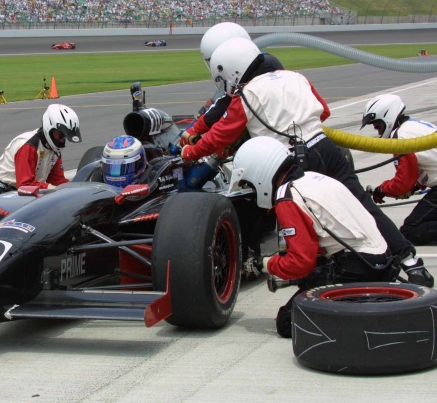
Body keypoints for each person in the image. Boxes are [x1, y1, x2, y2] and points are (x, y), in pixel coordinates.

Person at [181, 36, 433, 288]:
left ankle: (261, 262)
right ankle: (411, 262)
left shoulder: (246, 95)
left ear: (232, 69)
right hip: (326, 148)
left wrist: (190, 152)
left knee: (266, 208)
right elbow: (323, 110)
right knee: (362, 204)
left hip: (292, 160)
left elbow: (220, 135)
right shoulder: (296, 77)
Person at [229, 136, 398, 338]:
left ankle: (357, 312)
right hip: (381, 259)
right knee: (314, 274)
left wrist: (265, 264)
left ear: (259, 174)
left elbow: (300, 262)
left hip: (358, 266)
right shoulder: (314, 178)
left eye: (250, 184)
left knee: (286, 322)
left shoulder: (287, 198)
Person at [183, 22, 285, 145]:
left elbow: (225, 106)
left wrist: (194, 129)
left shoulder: (254, 72)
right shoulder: (265, 61)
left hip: (272, 139)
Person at [361, 94, 437, 252]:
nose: (377, 132)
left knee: (409, 232)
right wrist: (414, 186)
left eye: (377, 126)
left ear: (386, 118)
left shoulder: (401, 139)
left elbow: (403, 183)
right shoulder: (414, 126)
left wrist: (382, 190)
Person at [0, 104, 81, 195]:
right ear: (49, 127)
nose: (62, 139)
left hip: (21, 192)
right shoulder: (28, 145)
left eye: (66, 136)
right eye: (61, 135)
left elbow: (56, 179)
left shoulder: (54, 148)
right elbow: (25, 185)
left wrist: (75, 188)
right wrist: (52, 188)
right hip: (1, 191)